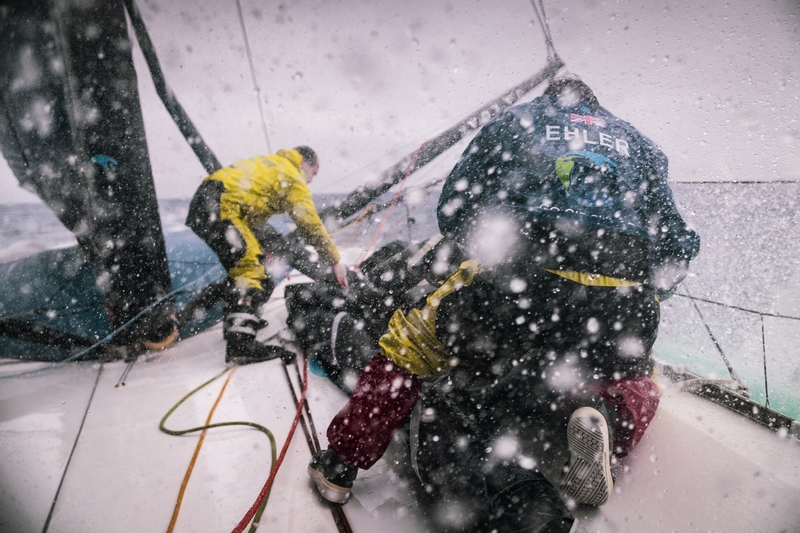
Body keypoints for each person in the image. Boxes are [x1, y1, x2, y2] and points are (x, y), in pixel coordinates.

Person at [307, 77, 699, 532]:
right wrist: (636, 292)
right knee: (635, 374)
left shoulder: (518, 121)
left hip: (526, 283)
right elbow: (676, 246)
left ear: (552, 99)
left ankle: (340, 463)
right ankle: (609, 416)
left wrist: (493, 261)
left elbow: (455, 207)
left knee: (412, 351)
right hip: (624, 301)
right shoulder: (641, 145)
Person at [186, 146, 348, 364]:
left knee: (247, 265)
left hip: (208, 202)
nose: (311, 180)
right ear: (304, 164)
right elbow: (311, 224)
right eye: (314, 173)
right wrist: (334, 261)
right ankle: (241, 343)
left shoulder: (272, 163)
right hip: (220, 205)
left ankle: (238, 321)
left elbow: (248, 201)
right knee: (253, 269)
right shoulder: (292, 176)